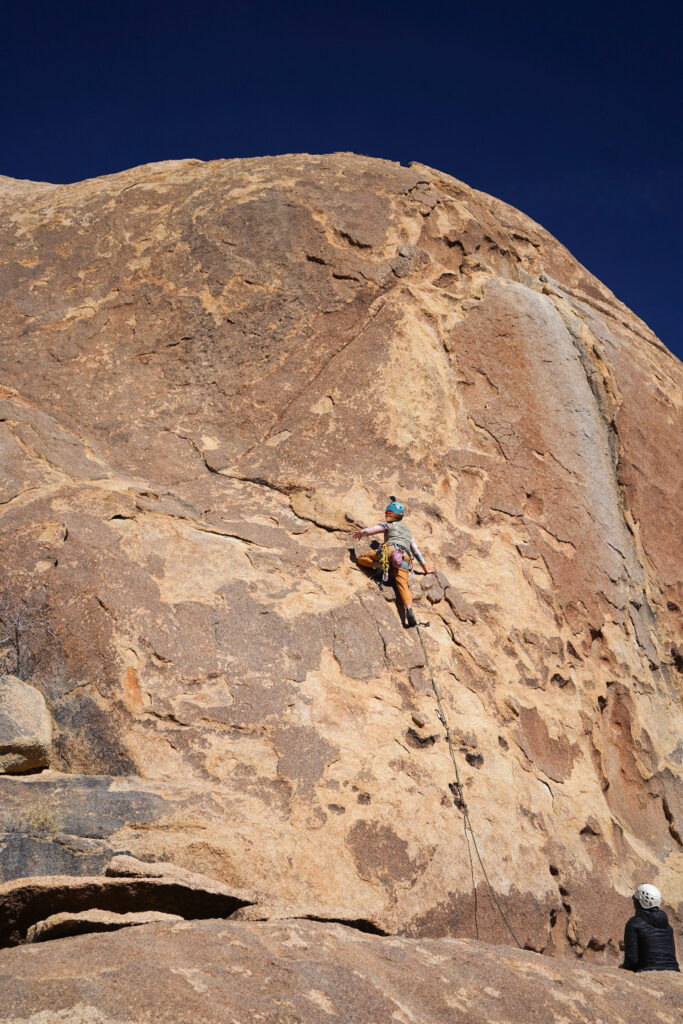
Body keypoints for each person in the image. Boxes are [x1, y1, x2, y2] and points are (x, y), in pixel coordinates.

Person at [353, 497, 433, 627]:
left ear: (390, 513)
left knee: (361, 558)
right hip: (404, 557)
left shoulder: (389, 525)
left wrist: (362, 532)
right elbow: (416, 551)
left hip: (389, 551)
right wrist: (425, 568)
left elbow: (373, 529)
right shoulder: (408, 533)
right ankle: (409, 609)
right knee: (403, 585)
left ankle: (379, 566)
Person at [622, 884, 680, 973]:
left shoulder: (634, 923)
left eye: (635, 899)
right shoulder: (668, 926)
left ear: (640, 901)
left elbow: (631, 960)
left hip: (647, 971)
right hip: (674, 970)